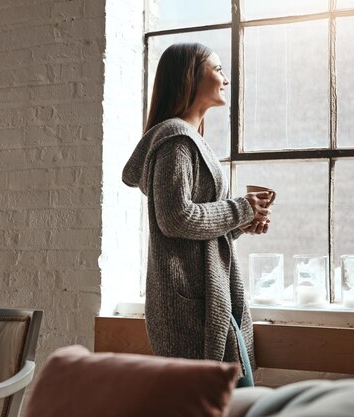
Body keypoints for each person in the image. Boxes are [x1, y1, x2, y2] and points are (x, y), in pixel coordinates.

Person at [122, 42, 272, 387]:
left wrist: (240, 223)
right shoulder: (177, 141)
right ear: (189, 76)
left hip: (207, 293)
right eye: (217, 69)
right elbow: (175, 219)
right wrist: (241, 208)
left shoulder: (190, 139)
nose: (225, 78)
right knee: (217, 401)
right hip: (191, 304)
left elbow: (192, 225)